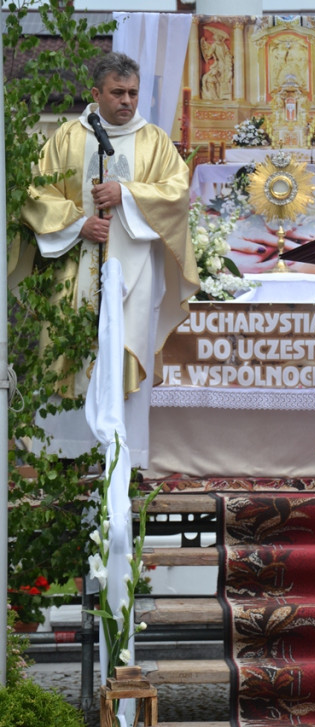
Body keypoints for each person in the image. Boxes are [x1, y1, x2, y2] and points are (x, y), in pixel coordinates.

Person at [21, 52, 200, 469]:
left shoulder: (153, 140)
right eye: (117, 93)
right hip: (75, 268)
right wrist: (78, 224)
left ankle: (124, 457)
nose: (127, 101)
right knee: (69, 350)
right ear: (96, 93)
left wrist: (129, 195)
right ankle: (65, 455)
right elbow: (35, 194)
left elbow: (177, 192)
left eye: (133, 93)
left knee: (124, 355)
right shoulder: (66, 137)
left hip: (134, 269)